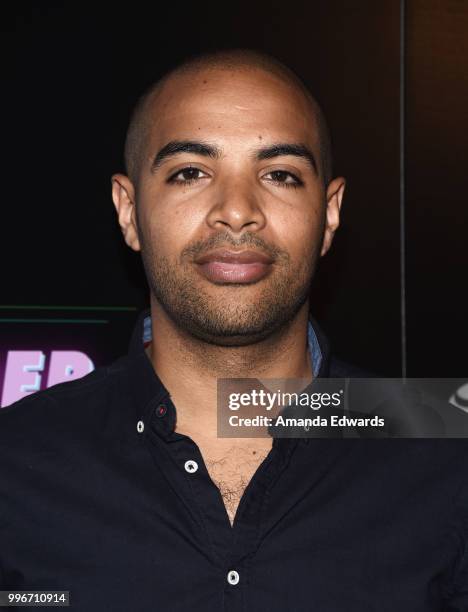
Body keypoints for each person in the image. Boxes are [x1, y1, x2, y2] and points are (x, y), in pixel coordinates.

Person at [0, 48, 467, 611]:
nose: (237, 210)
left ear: (330, 212)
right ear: (129, 211)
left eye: (279, 175)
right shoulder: (17, 464)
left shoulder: (444, 458)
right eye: (191, 172)